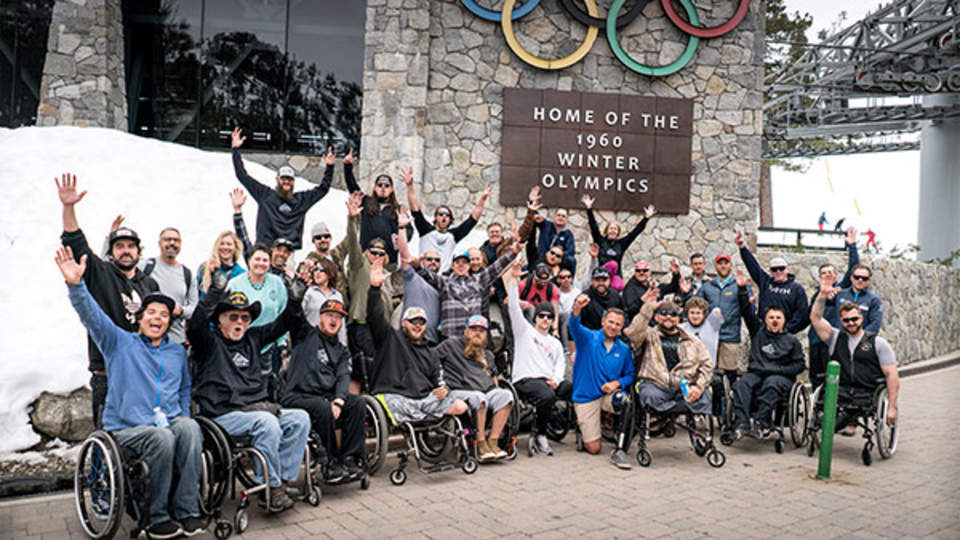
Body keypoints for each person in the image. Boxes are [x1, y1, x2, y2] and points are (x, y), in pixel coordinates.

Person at [58, 247, 204, 539]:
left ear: (168, 322)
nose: (157, 318)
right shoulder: (119, 343)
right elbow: (92, 317)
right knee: (161, 437)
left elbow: (185, 388)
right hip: (127, 428)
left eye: (164, 315)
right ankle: (156, 516)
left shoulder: (176, 352)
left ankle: (188, 510)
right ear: (140, 318)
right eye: (151, 312)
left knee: (189, 428)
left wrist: (184, 415)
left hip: (167, 422)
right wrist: (76, 285)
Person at [187, 260, 309, 513]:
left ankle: (281, 482)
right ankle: (270, 488)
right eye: (233, 317)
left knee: (299, 418)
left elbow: (284, 324)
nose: (239, 322)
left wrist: (294, 300)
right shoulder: (209, 343)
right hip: (222, 415)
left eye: (244, 317)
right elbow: (197, 324)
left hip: (256, 408)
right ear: (220, 320)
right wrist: (214, 293)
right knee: (267, 423)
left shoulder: (254, 337)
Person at [57, 173, 160, 427]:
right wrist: (68, 207)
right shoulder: (100, 274)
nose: (125, 250)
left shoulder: (150, 285)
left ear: (139, 251)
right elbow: (75, 243)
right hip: (107, 372)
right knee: (110, 437)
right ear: (111, 252)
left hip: (142, 373)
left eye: (130, 246)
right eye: (119, 246)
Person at [280, 287, 365, 484]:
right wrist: (295, 296)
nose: (334, 320)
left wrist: (339, 400)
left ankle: (350, 459)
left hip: (326, 398)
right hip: (297, 396)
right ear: (320, 318)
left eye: (338, 317)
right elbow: (294, 314)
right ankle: (330, 464)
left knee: (358, 403)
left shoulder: (342, 351)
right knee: (322, 407)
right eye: (329, 315)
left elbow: (344, 377)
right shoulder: (305, 334)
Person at [366, 262, 469, 423]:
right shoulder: (389, 338)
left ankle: (423, 417)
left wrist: (443, 389)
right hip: (394, 396)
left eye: (421, 322)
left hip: (423, 400)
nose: (417, 325)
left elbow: (438, 380)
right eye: (413, 321)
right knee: (398, 406)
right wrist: (374, 288)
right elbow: (375, 316)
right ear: (403, 323)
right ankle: (421, 417)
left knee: (460, 406)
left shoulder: (431, 350)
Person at [624, 288, 714, 446]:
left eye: (673, 314)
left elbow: (706, 365)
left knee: (705, 393)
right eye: (663, 313)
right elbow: (632, 334)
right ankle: (675, 410)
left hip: (683, 386)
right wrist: (647, 309)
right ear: (657, 317)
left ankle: (688, 417)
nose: (668, 317)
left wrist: (698, 386)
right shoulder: (648, 335)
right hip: (656, 384)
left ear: (679, 319)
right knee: (649, 396)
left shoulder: (692, 341)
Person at [809, 277, 899, 429]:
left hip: (866, 392)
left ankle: (844, 422)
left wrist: (891, 406)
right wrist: (822, 295)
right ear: (841, 321)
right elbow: (815, 318)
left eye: (854, 319)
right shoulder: (835, 337)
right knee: (822, 411)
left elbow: (892, 375)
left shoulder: (877, 343)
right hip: (839, 390)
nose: (851, 323)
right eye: (846, 320)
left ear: (861, 318)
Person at [729, 270, 805, 441]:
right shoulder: (758, 332)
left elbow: (799, 365)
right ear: (766, 319)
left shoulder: (792, 340)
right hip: (757, 373)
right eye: (771, 317)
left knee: (771, 383)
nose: (775, 320)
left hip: (780, 377)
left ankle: (762, 423)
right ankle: (742, 424)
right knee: (741, 385)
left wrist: (781, 369)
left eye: (778, 317)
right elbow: (748, 312)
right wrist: (742, 289)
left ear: (784, 320)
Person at [505, 261, 571, 456]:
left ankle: (566, 426)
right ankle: (540, 434)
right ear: (535, 318)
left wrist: (556, 380)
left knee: (570, 388)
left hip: (547, 381)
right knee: (547, 396)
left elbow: (560, 364)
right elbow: (513, 308)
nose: (544, 319)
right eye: (541, 316)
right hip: (525, 379)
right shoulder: (524, 331)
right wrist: (514, 281)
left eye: (549, 317)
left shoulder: (555, 342)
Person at [230, 128, 332, 249]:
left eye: (289, 179)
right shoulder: (265, 195)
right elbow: (242, 176)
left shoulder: (301, 200)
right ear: (277, 179)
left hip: (287, 252)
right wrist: (235, 150)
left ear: (293, 181)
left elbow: (323, 189)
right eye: (283, 179)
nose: (286, 182)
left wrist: (330, 166)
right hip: (265, 250)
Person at [569, 294, 635, 469]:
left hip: (608, 395)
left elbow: (630, 375)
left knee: (625, 400)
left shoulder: (624, 349)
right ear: (603, 322)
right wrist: (577, 308)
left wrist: (617, 383)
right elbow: (573, 325)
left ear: (621, 328)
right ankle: (581, 428)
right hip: (586, 397)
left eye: (618, 324)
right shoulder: (587, 339)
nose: (613, 327)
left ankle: (620, 448)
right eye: (611, 322)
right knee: (594, 448)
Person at [435, 315, 514, 462]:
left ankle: (493, 442)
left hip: (486, 391)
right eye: (473, 329)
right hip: (458, 391)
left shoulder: (488, 355)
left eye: (482, 330)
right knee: (479, 398)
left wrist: (497, 390)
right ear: (466, 331)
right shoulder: (450, 345)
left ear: (486, 335)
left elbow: (494, 377)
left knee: (506, 395)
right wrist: (438, 383)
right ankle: (480, 444)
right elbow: (431, 360)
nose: (477, 333)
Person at [413, 238, 521, 340]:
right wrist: (418, 266)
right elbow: (428, 275)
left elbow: (495, 268)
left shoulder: (478, 280)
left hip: (473, 338)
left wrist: (513, 253)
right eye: (457, 263)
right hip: (451, 338)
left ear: (469, 266)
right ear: (453, 266)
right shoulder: (444, 282)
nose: (461, 265)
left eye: (464, 263)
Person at [343, 192, 394, 393]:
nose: (377, 256)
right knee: (361, 372)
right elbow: (354, 245)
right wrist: (352, 219)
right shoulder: (360, 265)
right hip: (361, 326)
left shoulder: (387, 275)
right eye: (373, 252)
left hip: (381, 331)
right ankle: (355, 410)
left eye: (381, 253)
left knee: (378, 372)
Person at [404, 166, 492, 271]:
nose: (444, 217)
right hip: (424, 275)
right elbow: (415, 210)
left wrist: (482, 200)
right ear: (436, 217)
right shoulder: (425, 230)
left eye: (447, 215)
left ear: (451, 220)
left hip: (443, 281)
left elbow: (472, 220)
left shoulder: (453, 236)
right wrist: (409, 186)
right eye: (441, 214)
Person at [808, 227, 861, 388]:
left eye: (831, 272)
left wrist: (852, 246)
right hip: (816, 342)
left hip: (835, 342)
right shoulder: (815, 296)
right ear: (819, 277)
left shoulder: (842, 290)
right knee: (817, 379)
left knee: (835, 378)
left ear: (836, 276)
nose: (828, 275)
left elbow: (854, 268)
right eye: (824, 273)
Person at [735, 231, 809, 334]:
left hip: (784, 334)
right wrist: (742, 247)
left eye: (781, 268)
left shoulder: (796, 289)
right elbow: (753, 266)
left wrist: (787, 329)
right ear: (770, 271)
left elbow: (802, 314)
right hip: (763, 332)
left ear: (787, 270)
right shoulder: (765, 282)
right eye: (774, 269)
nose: (778, 272)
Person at [343, 158, 409, 266]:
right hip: (365, 259)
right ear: (374, 188)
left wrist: (398, 237)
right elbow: (353, 187)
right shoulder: (366, 203)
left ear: (392, 189)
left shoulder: (398, 210)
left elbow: (408, 232)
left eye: (387, 186)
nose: (383, 188)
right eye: (380, 185)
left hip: (388, 261)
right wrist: (347, 166)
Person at [698, 253, 751, 381]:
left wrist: (744, 291)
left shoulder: (740, 285)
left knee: (729, 375)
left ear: (730, 265)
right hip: (709, 337)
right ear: (715, 266)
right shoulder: (707, 287)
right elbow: (695, 307)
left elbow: (748, 310)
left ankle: (728, 400)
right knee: (707, 371)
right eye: (720, 263)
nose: (723, 266)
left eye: (726, 263)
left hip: (730, 336)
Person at [139, 228, 198, 344]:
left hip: (175, 341)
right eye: (167, 239)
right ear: (159, 243)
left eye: (176, 240)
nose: (172, 243)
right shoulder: (145, 267)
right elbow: (113, 271)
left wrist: (180, 311)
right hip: (146, 341)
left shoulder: (187, 274)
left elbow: (194, 308)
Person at [582, 194, 656, 276]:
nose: (613, 231)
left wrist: (646, 218)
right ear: (607, 230)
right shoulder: (600, 241)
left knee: (619, 284)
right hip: (601, 275)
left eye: (615, 229)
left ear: (618, 232)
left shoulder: (621, 244)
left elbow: (635, 233)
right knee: (611, 265)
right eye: (611, 228)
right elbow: (593, 226)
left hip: (615, 276)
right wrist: (589, 209)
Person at [397, 210, 442, 344]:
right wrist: (401, 228)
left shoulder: (442, 283)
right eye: (429, 259)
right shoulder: (412, 276)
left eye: (437, 260)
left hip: (432, 341)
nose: (433, 262)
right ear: (422, 260)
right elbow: (403, 252)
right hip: (408, 339)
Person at [301, 259, 347, 346]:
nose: (317, 273)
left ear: (329, 273)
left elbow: (341, 325)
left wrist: (343, 346)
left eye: (321, 270)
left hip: (331, 343)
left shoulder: (337, 295)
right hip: (310, 341)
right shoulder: (308, 292)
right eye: (315, 270)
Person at [196, 230, 246, 298]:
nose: (225, 247)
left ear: (235, 248)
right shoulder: (204, 268)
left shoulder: (241, 273)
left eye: (229, 244)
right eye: (222, 244)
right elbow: (195, 293)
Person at [679, 297, 724, 368]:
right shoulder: (681, 328)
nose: (695, 316)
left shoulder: (712, 325)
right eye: (692, 313)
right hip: (686, 371)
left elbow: (716, 310)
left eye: (698, 313)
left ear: (704, 314)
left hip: (707, 371)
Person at [577, 266, 624, 331]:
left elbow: (624, 315)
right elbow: (576, 321)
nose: (601, 283)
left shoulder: (615, 295)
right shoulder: (584, 298)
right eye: (597, 280)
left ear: (609, 281)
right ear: (592, 281)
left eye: (604, 280)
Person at [534, 208, 577, 273]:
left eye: (563, 216)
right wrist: (532, 202)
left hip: (558, 261)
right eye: (558, 215)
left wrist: (557, 256)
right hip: (542, 257)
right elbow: (536, 215)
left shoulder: (568, 234)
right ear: (554, 217)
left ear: (567, 219)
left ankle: (569, 281)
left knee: (571, 260)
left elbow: (571, 251)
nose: (560, 218)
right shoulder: (546, 225)